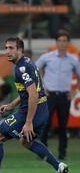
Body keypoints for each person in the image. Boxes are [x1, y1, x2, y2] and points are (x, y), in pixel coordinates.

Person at [0, 37, 68, 173]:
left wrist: (28, 122)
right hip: (41, 109)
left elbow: (33, 94)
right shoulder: (27, 62)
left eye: (11, 48)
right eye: (6, 48)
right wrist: (11, 105)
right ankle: (59, 167)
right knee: (26, 142)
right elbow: (29, 92)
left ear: (20, 50)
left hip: (31, 111)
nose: (8, 51)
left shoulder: (21, 68)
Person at [35, 30, 80, 160]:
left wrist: (74, 91)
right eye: (59, 41)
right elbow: (35, 70)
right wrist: (42, 87)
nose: (62, 43)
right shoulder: (47, 57)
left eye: (64, 41)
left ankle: (62, 153)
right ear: (56, 42)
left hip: (64, 96)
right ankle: (42, 152)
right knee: (45, 124)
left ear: (68, 43)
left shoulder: (73, 60)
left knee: (63, 126)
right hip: (49, 95)